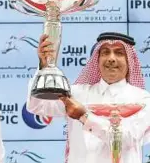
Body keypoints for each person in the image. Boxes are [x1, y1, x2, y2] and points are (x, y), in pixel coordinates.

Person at [27, 32, 150, 163]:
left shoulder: (142, 100)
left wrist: (85, 117)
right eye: (105, 53)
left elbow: (127, 138)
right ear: (97, 60)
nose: (111, 58)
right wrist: (44, 68)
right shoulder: (75, 94)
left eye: (119, 53)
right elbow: (38, 106)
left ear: (130, 61)